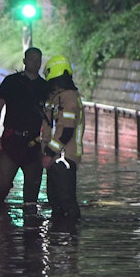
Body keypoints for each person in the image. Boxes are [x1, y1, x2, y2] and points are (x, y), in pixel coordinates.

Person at [0, 47, 48, 214]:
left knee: (32, 191)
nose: (35, 63)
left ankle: (30, 229)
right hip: (11, 141)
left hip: (34, 143)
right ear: (24, 61)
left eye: (38, 60)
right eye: (32, 59)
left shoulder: (44, 87)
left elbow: (49, 116)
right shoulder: (11, 82)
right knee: (2, 185)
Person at [41, 55, 85, 220]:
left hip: (64, 157)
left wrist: (49, 153)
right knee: (56, 203)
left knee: (66, 203)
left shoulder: (68, 98)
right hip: (58, 157)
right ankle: (60, 239)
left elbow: (66, 129)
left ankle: (69, 239)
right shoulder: (58, 97)